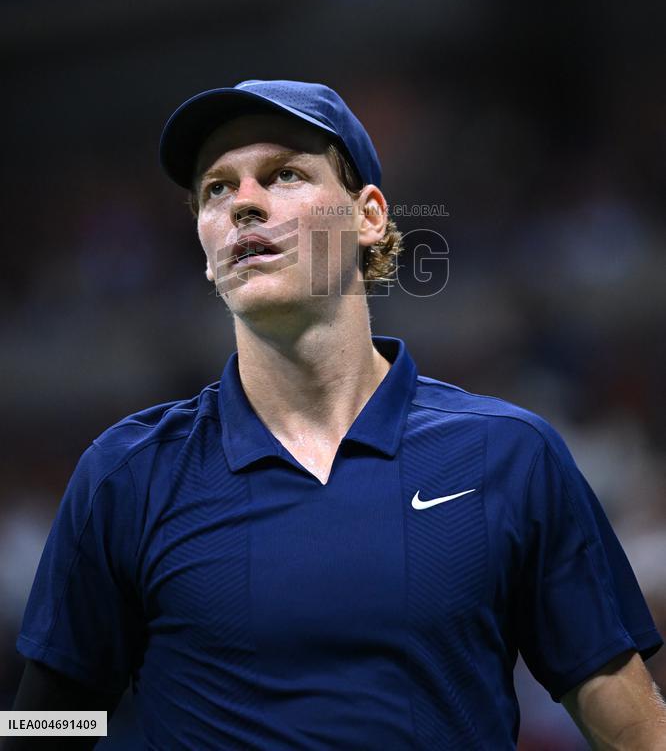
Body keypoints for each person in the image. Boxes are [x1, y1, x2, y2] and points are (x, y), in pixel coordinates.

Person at [7, 80, 666, 750]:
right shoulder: (127, 475)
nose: (243, 205)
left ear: (369, 216)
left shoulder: (509, 455)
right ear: (205, 254)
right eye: (216, 189)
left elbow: (631, 728)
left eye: (283, 174)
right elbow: (47, 724)